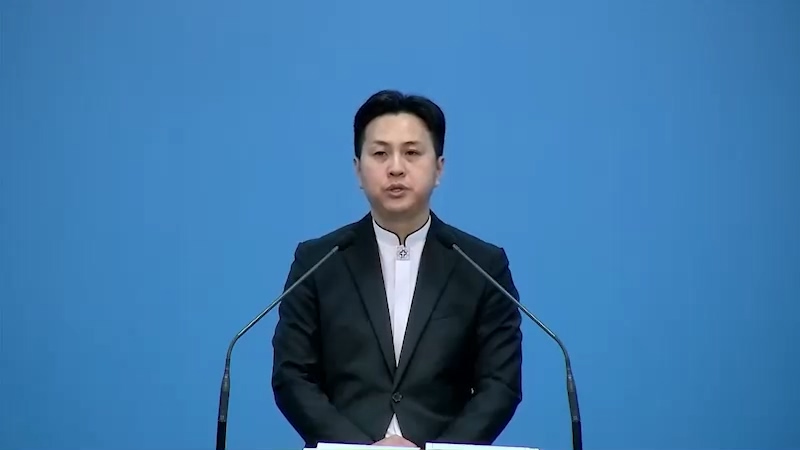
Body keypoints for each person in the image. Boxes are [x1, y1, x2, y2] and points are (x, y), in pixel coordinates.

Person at [271, 89, 523, 448]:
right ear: (358, 169)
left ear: (439, 168)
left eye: (412, 152)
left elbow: (500, 384)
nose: (396, 167)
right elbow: (292, 375)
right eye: (380, 153)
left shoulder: (482, 266)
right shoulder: (318, 261)